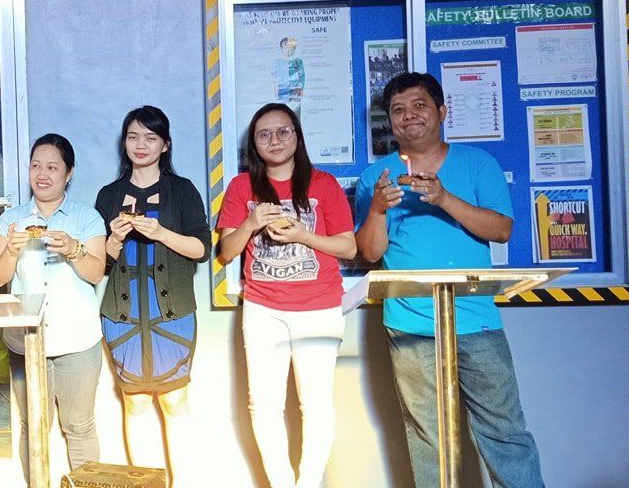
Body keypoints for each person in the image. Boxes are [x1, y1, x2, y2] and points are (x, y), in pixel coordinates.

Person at [354, 72, 544, 487]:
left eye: (419, 106)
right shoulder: (377, 176)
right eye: (398, 111)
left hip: (475, 320)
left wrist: (443, 198)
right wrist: (378, 209)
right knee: (428, 436)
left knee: (505, 432)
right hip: (410, 322)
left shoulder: (478, 164)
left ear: (442, 111)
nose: (409, 117)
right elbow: (368, 252)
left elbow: (501, 229)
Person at [215, 104, 356, 488]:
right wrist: (249, 222)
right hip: (262, 308)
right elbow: (226, 252)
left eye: (283, 132)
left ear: (297, 135)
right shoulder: (241, 188)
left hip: (319, 307)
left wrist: (301, 235)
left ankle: (308, 483)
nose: (274, 141)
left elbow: (348, 247)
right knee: (263, 405)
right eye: (264, 134)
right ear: (253, 144)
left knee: (315, 405)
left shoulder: (323, 184)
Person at [96, 105, 210, 487]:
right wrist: (113, 239)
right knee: (136, 403)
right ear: (123, 143)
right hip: (122, 316)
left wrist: (160, 232)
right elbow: (102, 265)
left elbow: (201, 249)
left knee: (176, 402)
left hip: (171, 313)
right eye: (133, 137)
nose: (140, 145)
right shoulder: (109, 194)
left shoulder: (182, 190)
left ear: (165, 145)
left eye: (150, 137)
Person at [0, 134, 106, 484]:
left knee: (80, 427)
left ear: (68, 173)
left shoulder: (87, 218)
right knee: (31, 426)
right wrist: (10, 250)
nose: (42, 174)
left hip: (77, 339)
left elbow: (96, 271)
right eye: (36, 165)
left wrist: (74, 250)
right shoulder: (11, 219)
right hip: (25, 342)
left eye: (52, 167)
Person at [273, 37, 306, 118]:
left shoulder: (298, 61)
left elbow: (302, 76)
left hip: (295, 90)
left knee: (295, 115)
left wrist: (301, 89)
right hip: (282, 91)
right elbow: (274, 77)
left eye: (290, 47)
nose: (287, 49)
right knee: (282, 115)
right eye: (285, 47)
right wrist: (275, 90)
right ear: (281, 48)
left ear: (294, 48)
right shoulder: (277, 62)